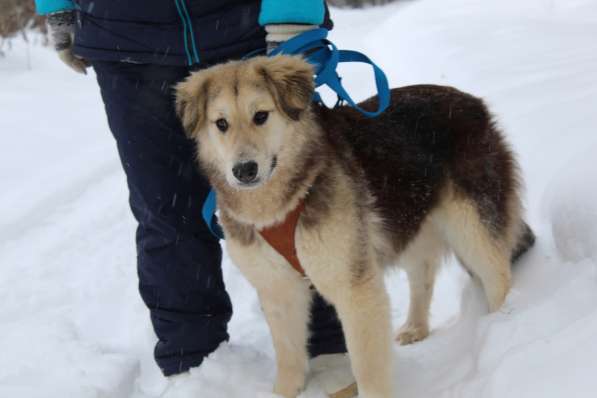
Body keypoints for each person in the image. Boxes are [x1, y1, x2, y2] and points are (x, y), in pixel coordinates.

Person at [35, 0, 349, 385]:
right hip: (125, 39)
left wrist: (292, 13)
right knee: (164, 210)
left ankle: (326, 338)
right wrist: (59, 7)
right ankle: (194, 362)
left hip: (246, 28)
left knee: (298, 196)